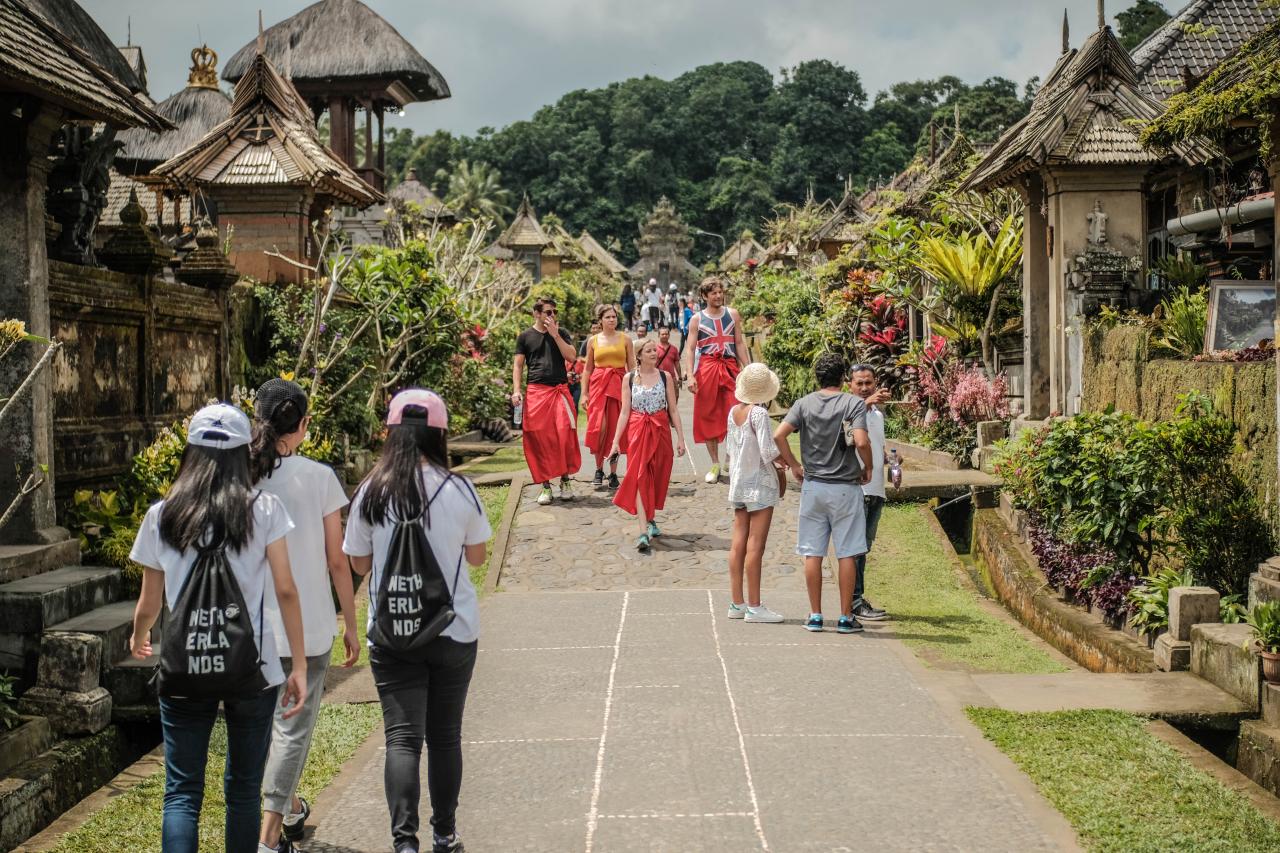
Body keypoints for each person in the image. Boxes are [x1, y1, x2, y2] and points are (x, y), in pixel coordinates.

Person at [128, 403, 308, 853]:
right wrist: (299, 664)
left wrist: (138, 636)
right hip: (253, 668)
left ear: (190, 452)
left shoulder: (162, 515)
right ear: (244, 452)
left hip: (184, 665)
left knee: (182, 792)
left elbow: (150, 602)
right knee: (243, 789)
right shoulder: (263, 508)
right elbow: (286, 590)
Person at [344, 389, 490, 853]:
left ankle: (403, 843)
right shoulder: (459, 488)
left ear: (392, 435)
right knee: (445, 737)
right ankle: (444, 835)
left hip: (392, 633)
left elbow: (360, 565)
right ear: (439, 435)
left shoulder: (370, 489)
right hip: (453, 629)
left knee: (402, 740)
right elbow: (478, 556)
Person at [250, 380, 360, 853]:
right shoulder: (319, 477)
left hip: (254, 630)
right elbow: (339, 561)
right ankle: (270, 837)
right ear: (303, 425)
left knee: (264, 727)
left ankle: (290, 806)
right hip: (310, 628)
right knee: (292, 729)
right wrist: (351, 623)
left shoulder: (242, 477)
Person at [773, 353, 874, 635]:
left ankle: (815, 615)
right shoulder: (853, 403)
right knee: (847, 553)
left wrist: (794, 465)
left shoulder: (804, 404)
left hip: (814, 486)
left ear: (817, 376)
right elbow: (862, 441)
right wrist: (869, 465)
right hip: (845, 488)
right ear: (844, 376)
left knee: (812, 553)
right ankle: (844, 617)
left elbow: (779, 435)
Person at [611, 338, 687, 550]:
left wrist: (681, 438)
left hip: (661, 429)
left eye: (655, 350)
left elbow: (672, 409)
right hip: (637, 431)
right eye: (649, 350)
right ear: (639, 354)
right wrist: (616, 441)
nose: (654, 353)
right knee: (639, 476)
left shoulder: (666, 377)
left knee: (658, 476)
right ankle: (643, 532)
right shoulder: (628, 379)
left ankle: (650, 517)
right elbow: (625, 411)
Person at [725, 363, 785, 624]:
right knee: (756, 546)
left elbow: (730, 448)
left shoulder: (733, 412)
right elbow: (768, 451)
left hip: (739, 481)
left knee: (738, 542)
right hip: (759, 482)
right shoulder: (758, 414)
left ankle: (737, 602)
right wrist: (787, 464)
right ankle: (755, 605)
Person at [512, 298, 581, 505]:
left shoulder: (561, 333)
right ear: (536, 313)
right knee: (539, 440)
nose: (551, 316)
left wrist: (556, 335)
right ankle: (545, 486)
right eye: (547, 312)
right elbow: (518, 366)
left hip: (560, 391)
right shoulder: (525, 336)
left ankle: (565, 480)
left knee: (564, 435)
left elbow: (571, 357)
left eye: (554, 312)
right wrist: (516, 390)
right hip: (536, 392)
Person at [683, 277, 748, 484]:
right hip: (708, 368)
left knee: (736, 412)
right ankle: (715, 463)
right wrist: (690, 375)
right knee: (708, 415)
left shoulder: (733, 314)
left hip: (730, 368)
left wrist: (748, 369)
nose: (718, 296)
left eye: (720, 292)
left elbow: (739, 342)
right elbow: (691, 349)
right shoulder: (697, 319)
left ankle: (731, 457)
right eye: (713, 293)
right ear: (705, 296)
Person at [849, 364, 892, 622]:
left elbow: (875, 446)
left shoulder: (876, 414)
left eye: (869, 383)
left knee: (864, 547)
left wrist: (889, 459)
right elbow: (845, 426)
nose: (865, 388)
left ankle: (856, 599)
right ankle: (855, 601)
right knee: (856, 548)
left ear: (876, 383)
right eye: (859, 383)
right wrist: (867, 403)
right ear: (850, 385)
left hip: (876, 488)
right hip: (858, 489)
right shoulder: (851, 409)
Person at [583, 305, 636, 489]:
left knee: (616, 429)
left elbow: (632, 367)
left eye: (614, 317)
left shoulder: (626, 339)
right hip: (598, 386)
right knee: (599, 428)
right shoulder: (593, 341)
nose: (612, 320)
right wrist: (584, 393)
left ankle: (613, 473)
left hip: (620, 384)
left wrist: (636, 389)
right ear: (601, 320)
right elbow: (588, 368)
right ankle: (599, 468)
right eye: (608, 317)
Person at [571, 322, 600, 413]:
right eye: (593, 328)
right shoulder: (587, 342)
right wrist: (590, 360)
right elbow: (580, 358)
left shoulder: (605, 341)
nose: (595, 330)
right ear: (591, 330)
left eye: (597, 328)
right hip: (590, 374)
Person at [654, 325, 682, 390]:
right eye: (662, 334)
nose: (664, 336)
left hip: (672, 378)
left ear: (669, 335)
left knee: (674, 397)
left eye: (666, 334)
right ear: (658, 335)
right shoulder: (654, 348)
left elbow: (677, 364)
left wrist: (680, 377)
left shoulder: (674, 349)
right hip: (658, 378)